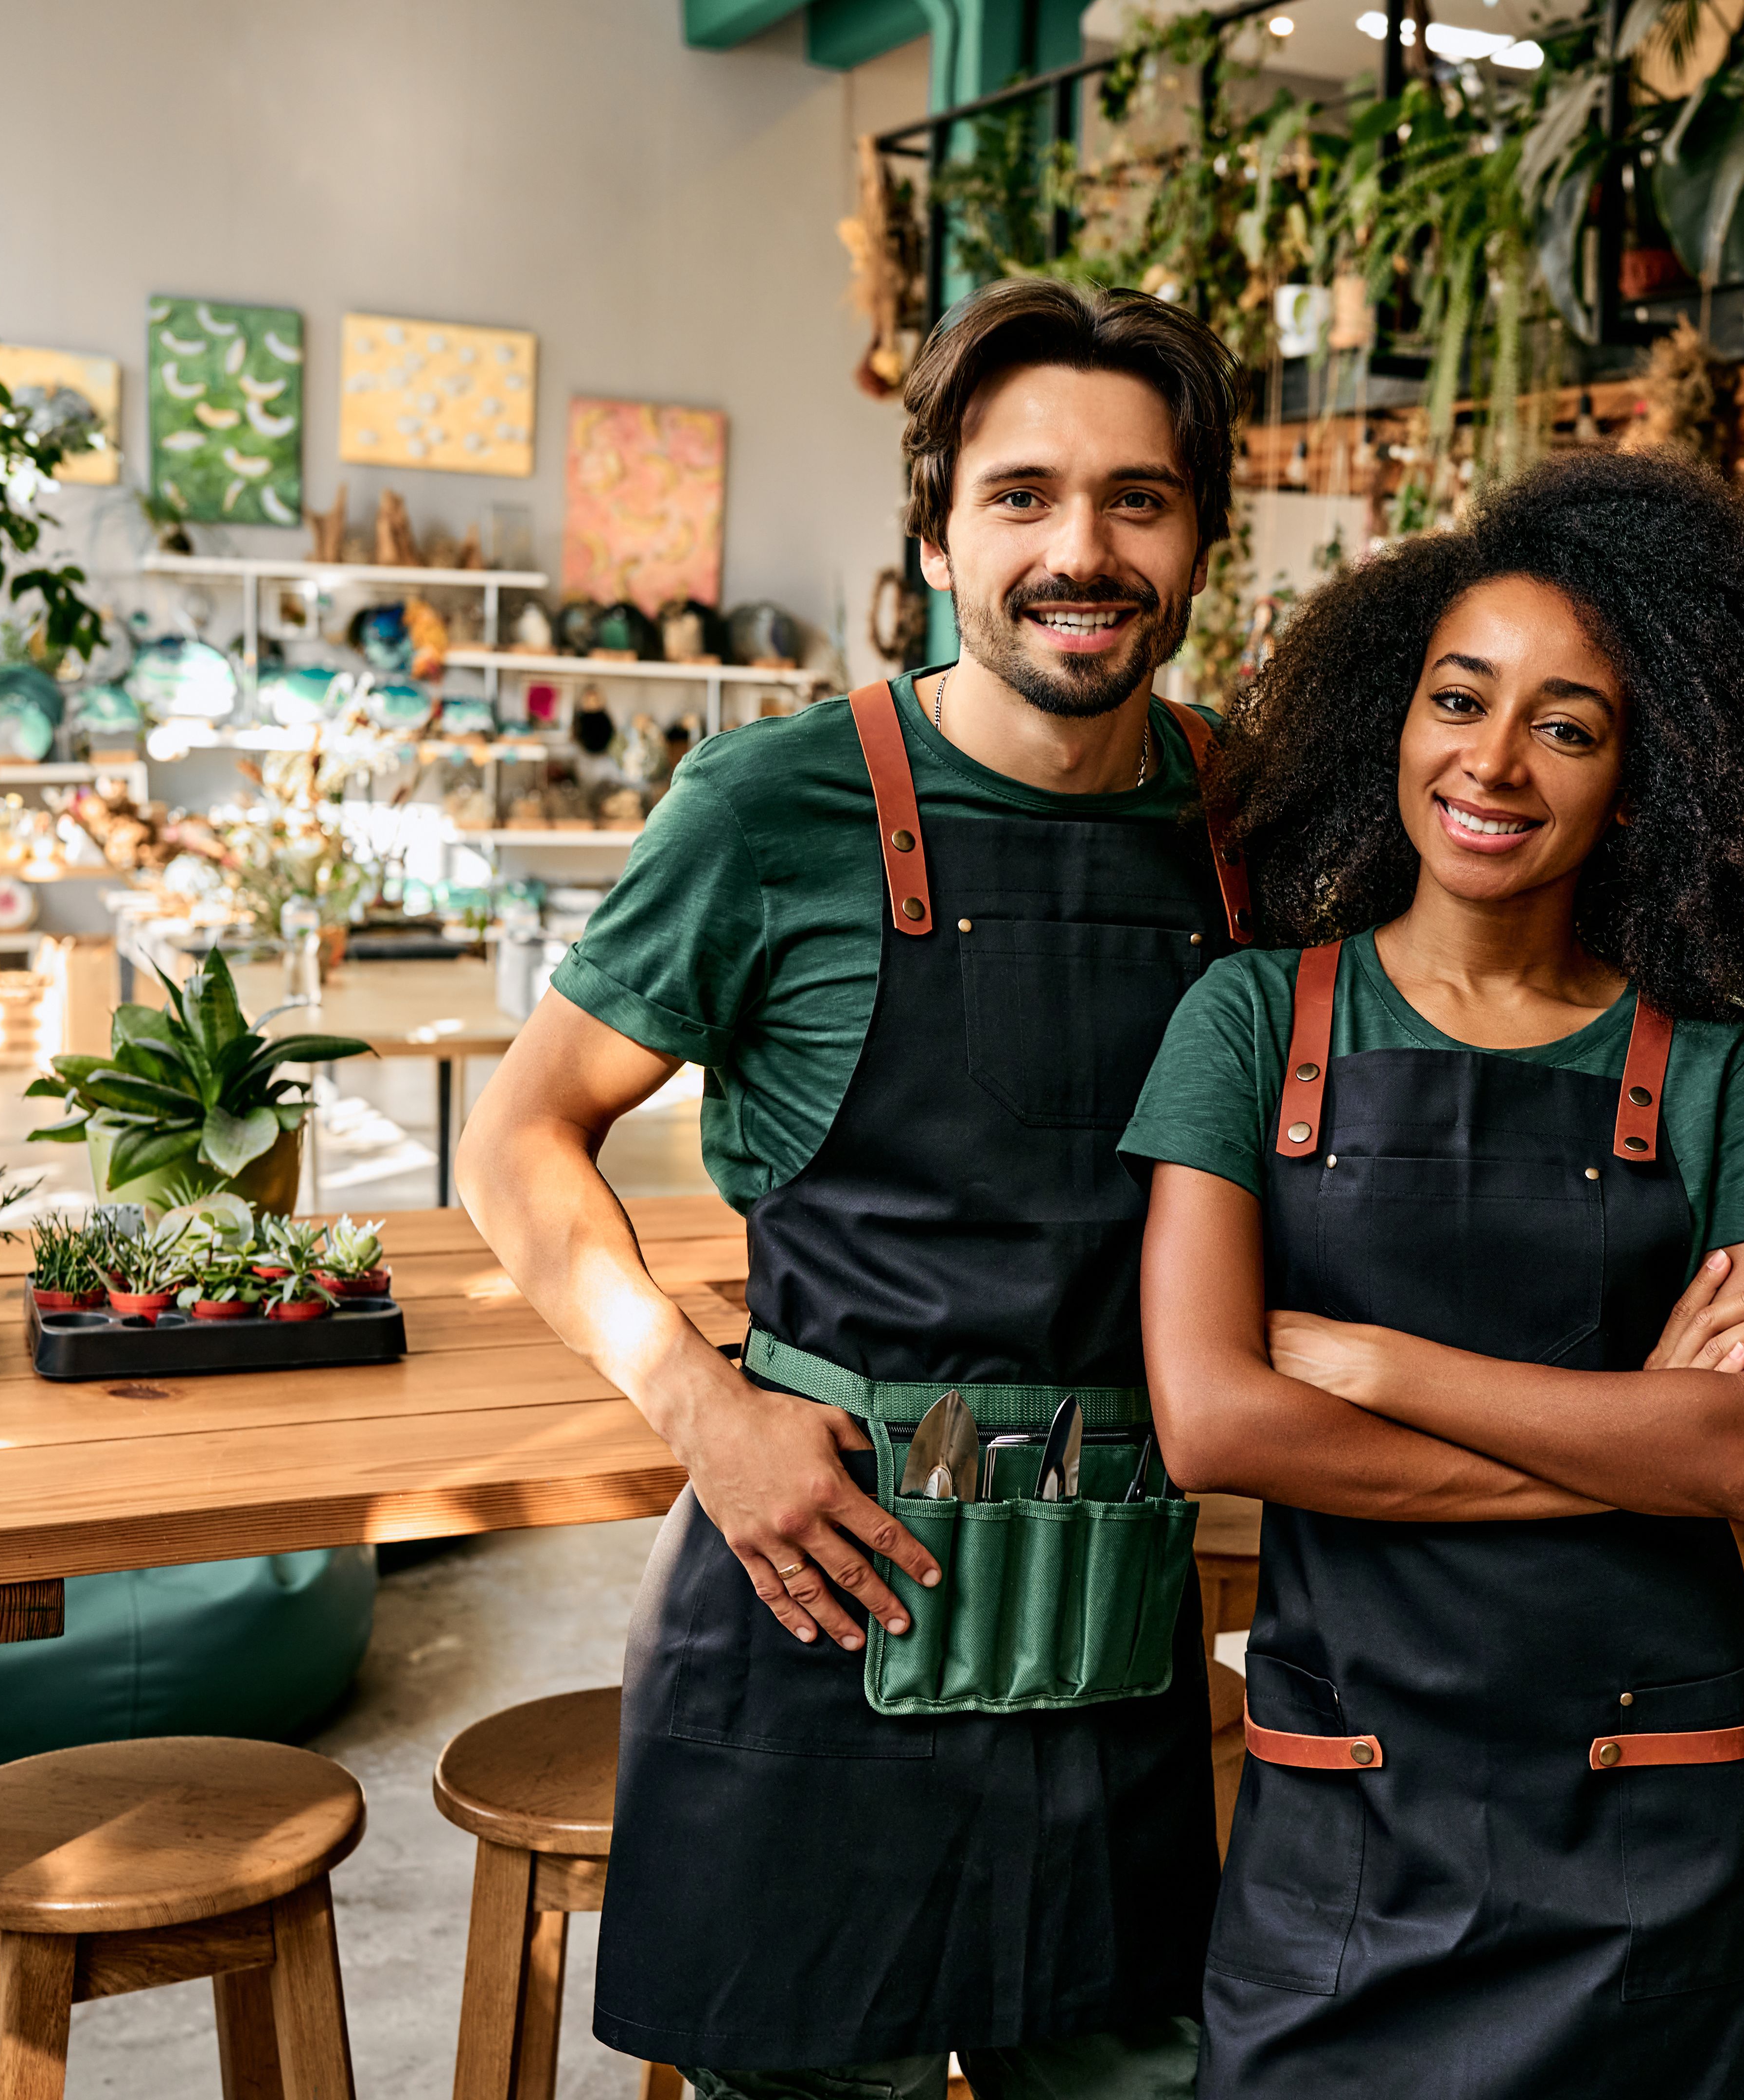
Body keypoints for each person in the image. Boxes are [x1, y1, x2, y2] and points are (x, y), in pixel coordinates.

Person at [459, 277, 1251, 2100]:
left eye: (1139, 497)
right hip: (823, 1600)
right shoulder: (769, 811)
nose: (1084, 548)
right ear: (938, 533)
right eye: (1026, 495)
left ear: (1201, 534)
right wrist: (700, 1410)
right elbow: (520, 1137)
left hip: (1116, 1635)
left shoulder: (1253, 822)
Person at [1120, 448, 1744, 2098]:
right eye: (1462, 698)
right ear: (1392, 712)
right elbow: (1215, 1425)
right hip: (1353, 1835)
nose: (1497, 762)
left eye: (1570, 725)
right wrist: (1629, 1445)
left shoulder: (1723, 1076)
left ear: (1645, 774)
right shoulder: (1250, 1023)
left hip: (1659, 1844)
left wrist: (1382, 1369)